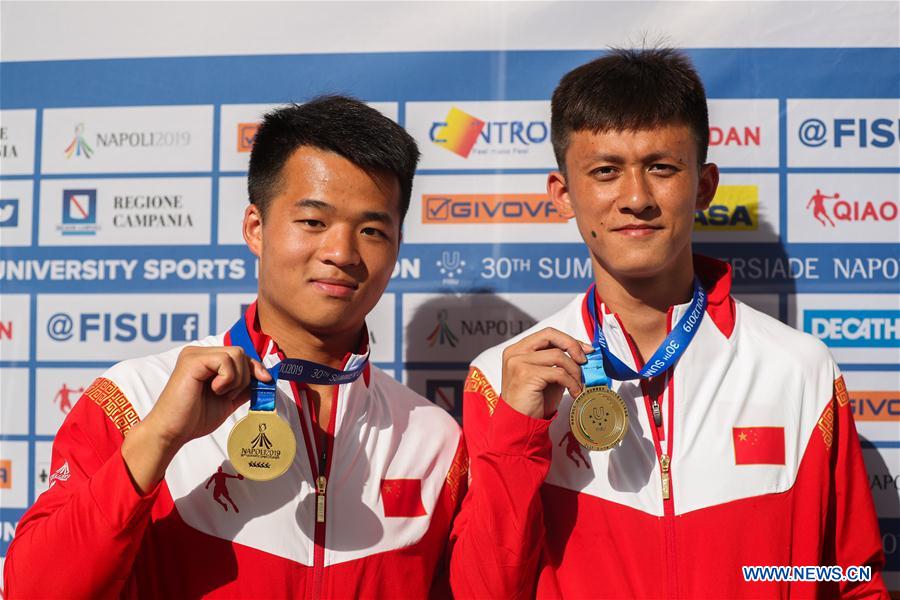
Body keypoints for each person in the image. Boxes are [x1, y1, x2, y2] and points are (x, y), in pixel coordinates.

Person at [448, 49, 887, 597]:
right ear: (563, 194)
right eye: (605, 171)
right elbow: (483, 591)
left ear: (704, 186)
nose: (635, 198)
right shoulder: (503, 380)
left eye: (661, 167)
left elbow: (849, 580)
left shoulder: (799, 369)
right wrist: (518, 435)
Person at [5, 96, 465, 598]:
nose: (341, 253)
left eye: (372, 230)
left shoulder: (435, 440)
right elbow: (32, 588)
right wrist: (158, 438)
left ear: (397, 248)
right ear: (255, 228)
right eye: (313, 222)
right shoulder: (136, 398)